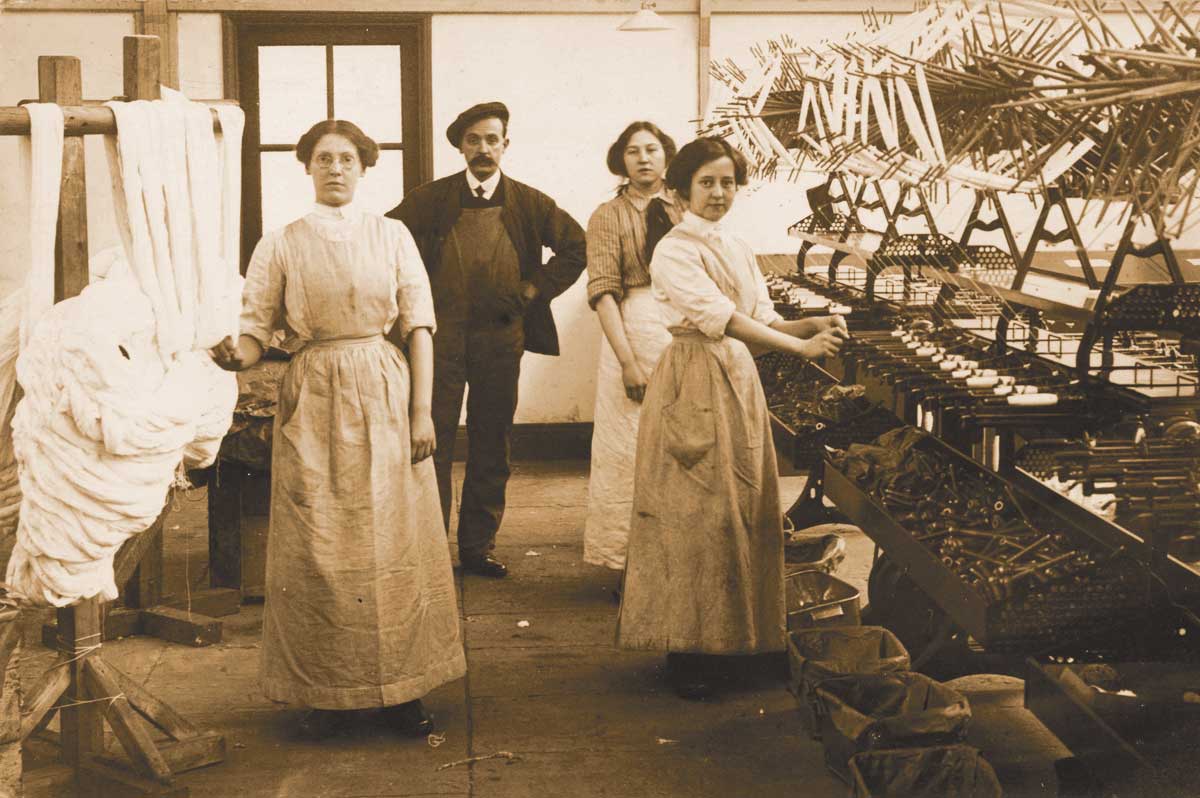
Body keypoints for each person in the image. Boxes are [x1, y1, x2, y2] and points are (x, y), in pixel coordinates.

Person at [212, 119, 465, 740]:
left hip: (383, 384)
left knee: (391, 540)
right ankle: (327, 691)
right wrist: (234, 356)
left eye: (347, 158)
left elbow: (420, 326)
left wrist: (421, 411)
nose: (335, 169)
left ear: (363, 166)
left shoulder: (393, 235)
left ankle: (402, 690)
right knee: (321, 542)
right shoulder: (281, 243)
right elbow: (255, 328)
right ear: (307, 167)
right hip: (314, 392)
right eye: (323, 159)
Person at [615, 137, 848, 699]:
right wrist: (802, 350)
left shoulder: (736, 245)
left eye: (727, 182)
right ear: (679, 191)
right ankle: (690, 652)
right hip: (692, 379)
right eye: (706, 183)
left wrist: (811, 323)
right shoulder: (673, 249)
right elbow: (721, 319)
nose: (719, 193)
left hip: (736, 379)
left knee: (744, 509)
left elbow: (759, 318)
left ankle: (744, 642)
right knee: (696, 514)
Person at [387, 101, 586, 579]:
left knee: (491, 441)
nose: (483, 149)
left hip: (501, 339)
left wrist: (533, 289)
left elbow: (576, 247)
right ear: (460, 146)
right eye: (473, 140)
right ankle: (430, 544)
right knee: (428, 437)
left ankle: (478, 547)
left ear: (505, 145)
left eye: (491, 139)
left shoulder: (530, 203)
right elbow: (385, 239)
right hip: (438, 342)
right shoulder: (428, 200)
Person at [583, 121, 681, 577]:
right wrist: (627, 363)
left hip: (686, 329)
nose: (644, 159)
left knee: (683, 445)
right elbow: (604, 292)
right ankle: (631, 565)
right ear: (620, 160)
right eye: (633, 151)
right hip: (633, 335)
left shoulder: (688, 205)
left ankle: (682, 559)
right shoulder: (607, 215)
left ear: (667, 155)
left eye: (652, 149)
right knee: (630, 452)